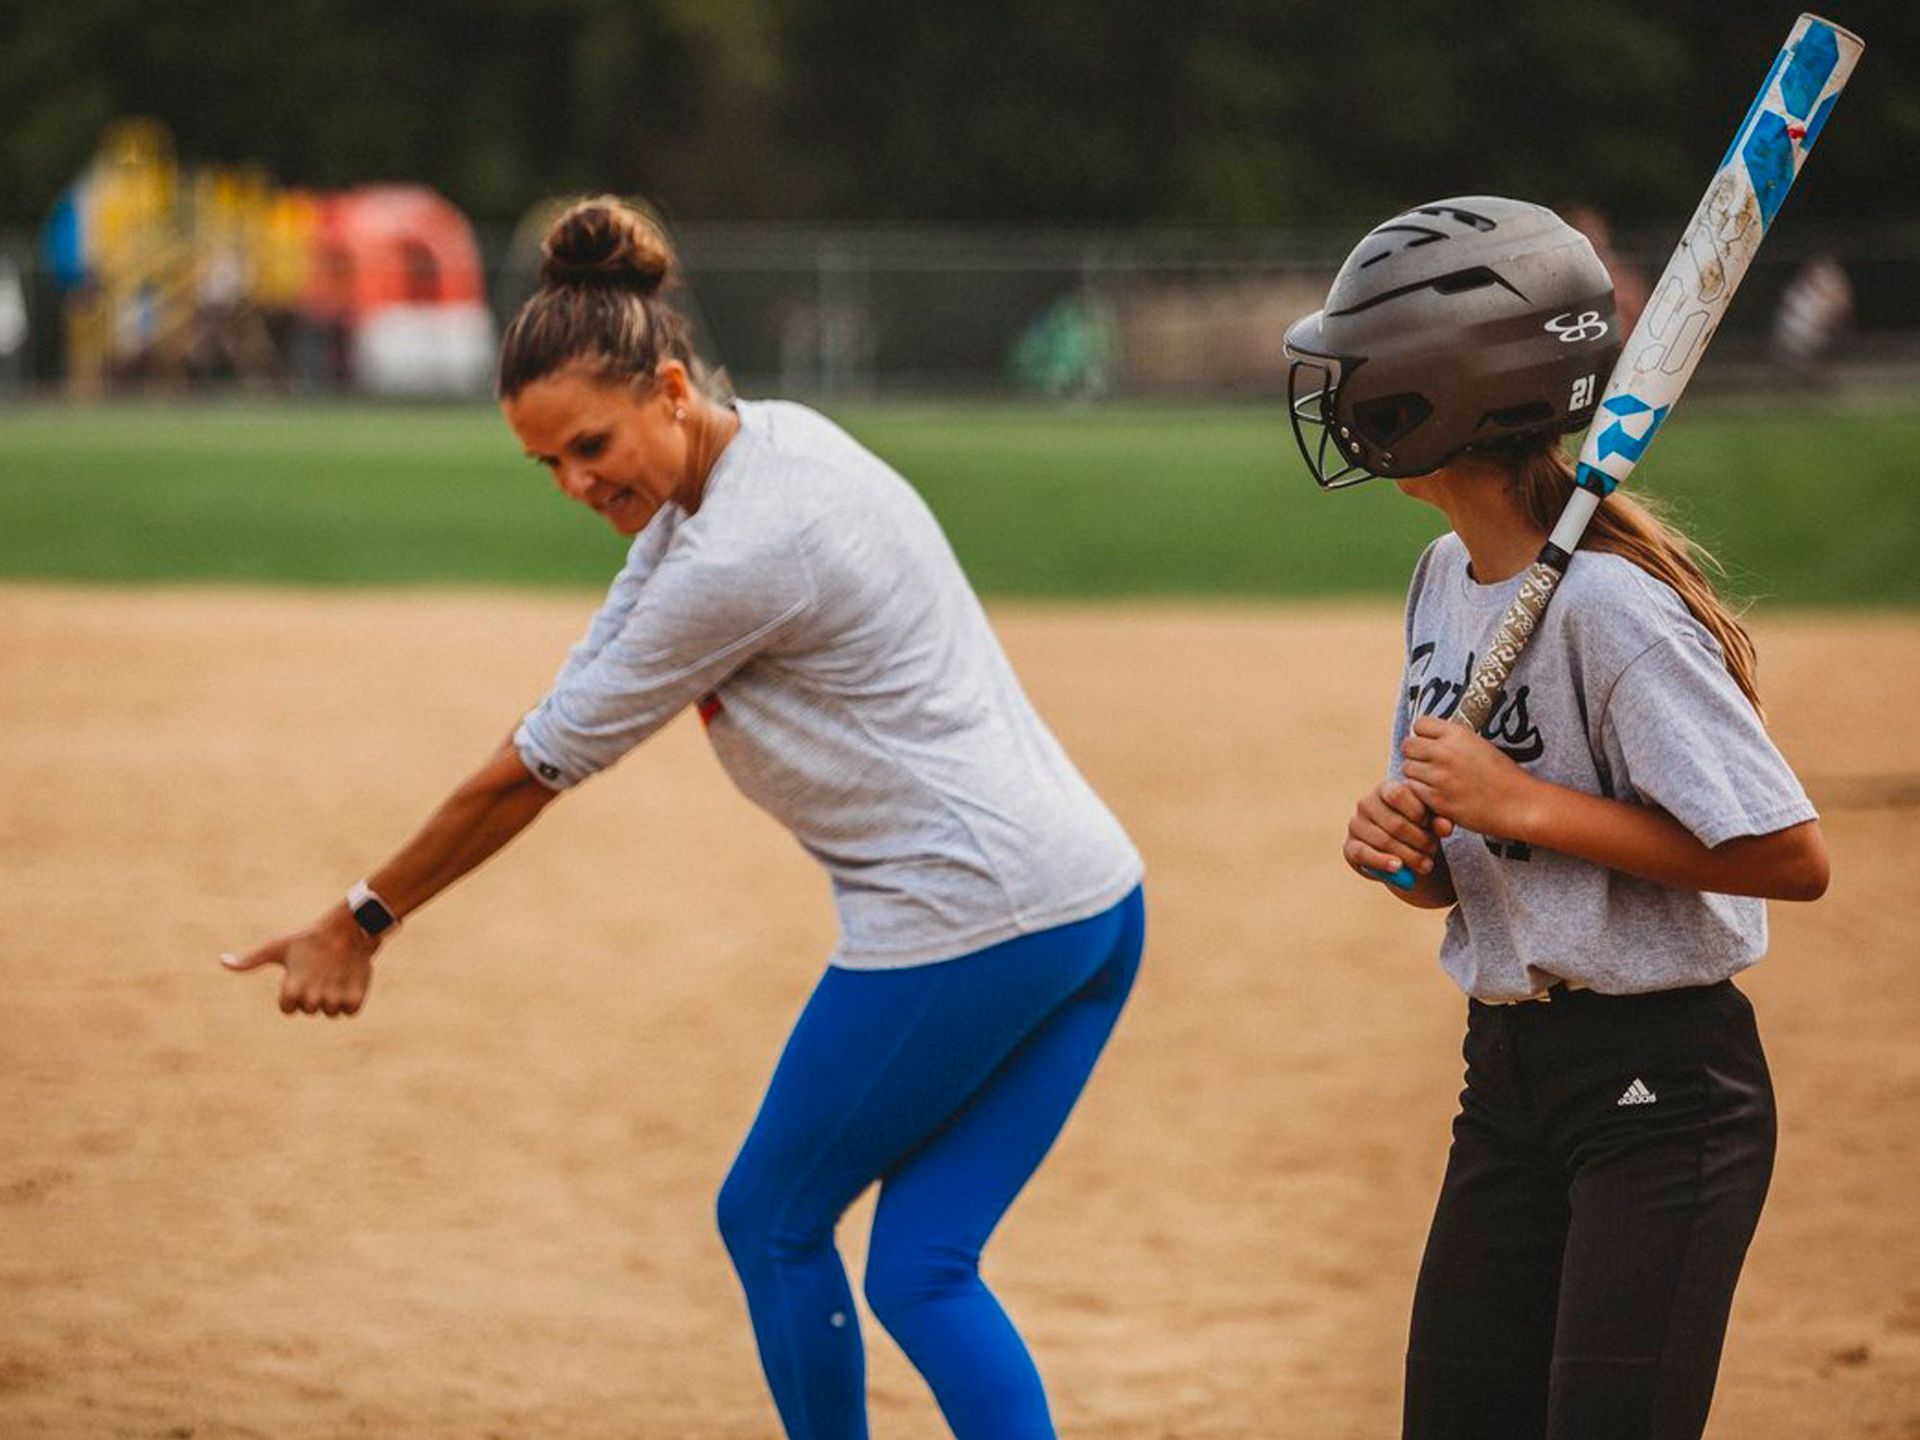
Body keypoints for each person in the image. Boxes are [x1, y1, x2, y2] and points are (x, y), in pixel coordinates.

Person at [222, 196, 1146, 1440]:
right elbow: (585, 674)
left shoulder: (743, 552)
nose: (573, 482)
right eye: (545, 462)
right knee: (923, 1271)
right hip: (1090, 906)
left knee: (770, 1217)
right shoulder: (757, 456)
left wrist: (364, 915)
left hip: (975, 916)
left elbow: (534, 767)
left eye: (590, 445)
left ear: (667, 386)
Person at [1283, 197, 1830, 1440]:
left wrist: (1528, 801)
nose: (1336, 394)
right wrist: (1408, 854)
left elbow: (1789, 857)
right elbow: (1468, 864)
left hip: (1661, 1087)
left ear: (1445, 391)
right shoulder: (1441, 581)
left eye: (1361, 368)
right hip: (1508, 1080)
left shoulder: (1610, 613)